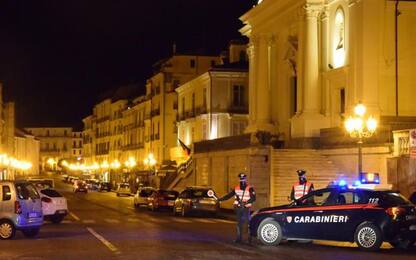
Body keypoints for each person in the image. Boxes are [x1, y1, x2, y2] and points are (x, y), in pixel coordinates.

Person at [218, 173, 256, 244]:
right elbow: (228, 196)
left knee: (247, 223)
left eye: (243, 179)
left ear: (246, 179)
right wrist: (220, 199)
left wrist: (246, 202)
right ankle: (239, 239)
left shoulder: (250, 188)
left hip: (246, 208)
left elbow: (253, 198)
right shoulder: (236, 188)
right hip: (238, 208)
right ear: (239, 179)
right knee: (239, 223)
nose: (242, 180)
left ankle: (248, 239)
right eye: (241, 179)